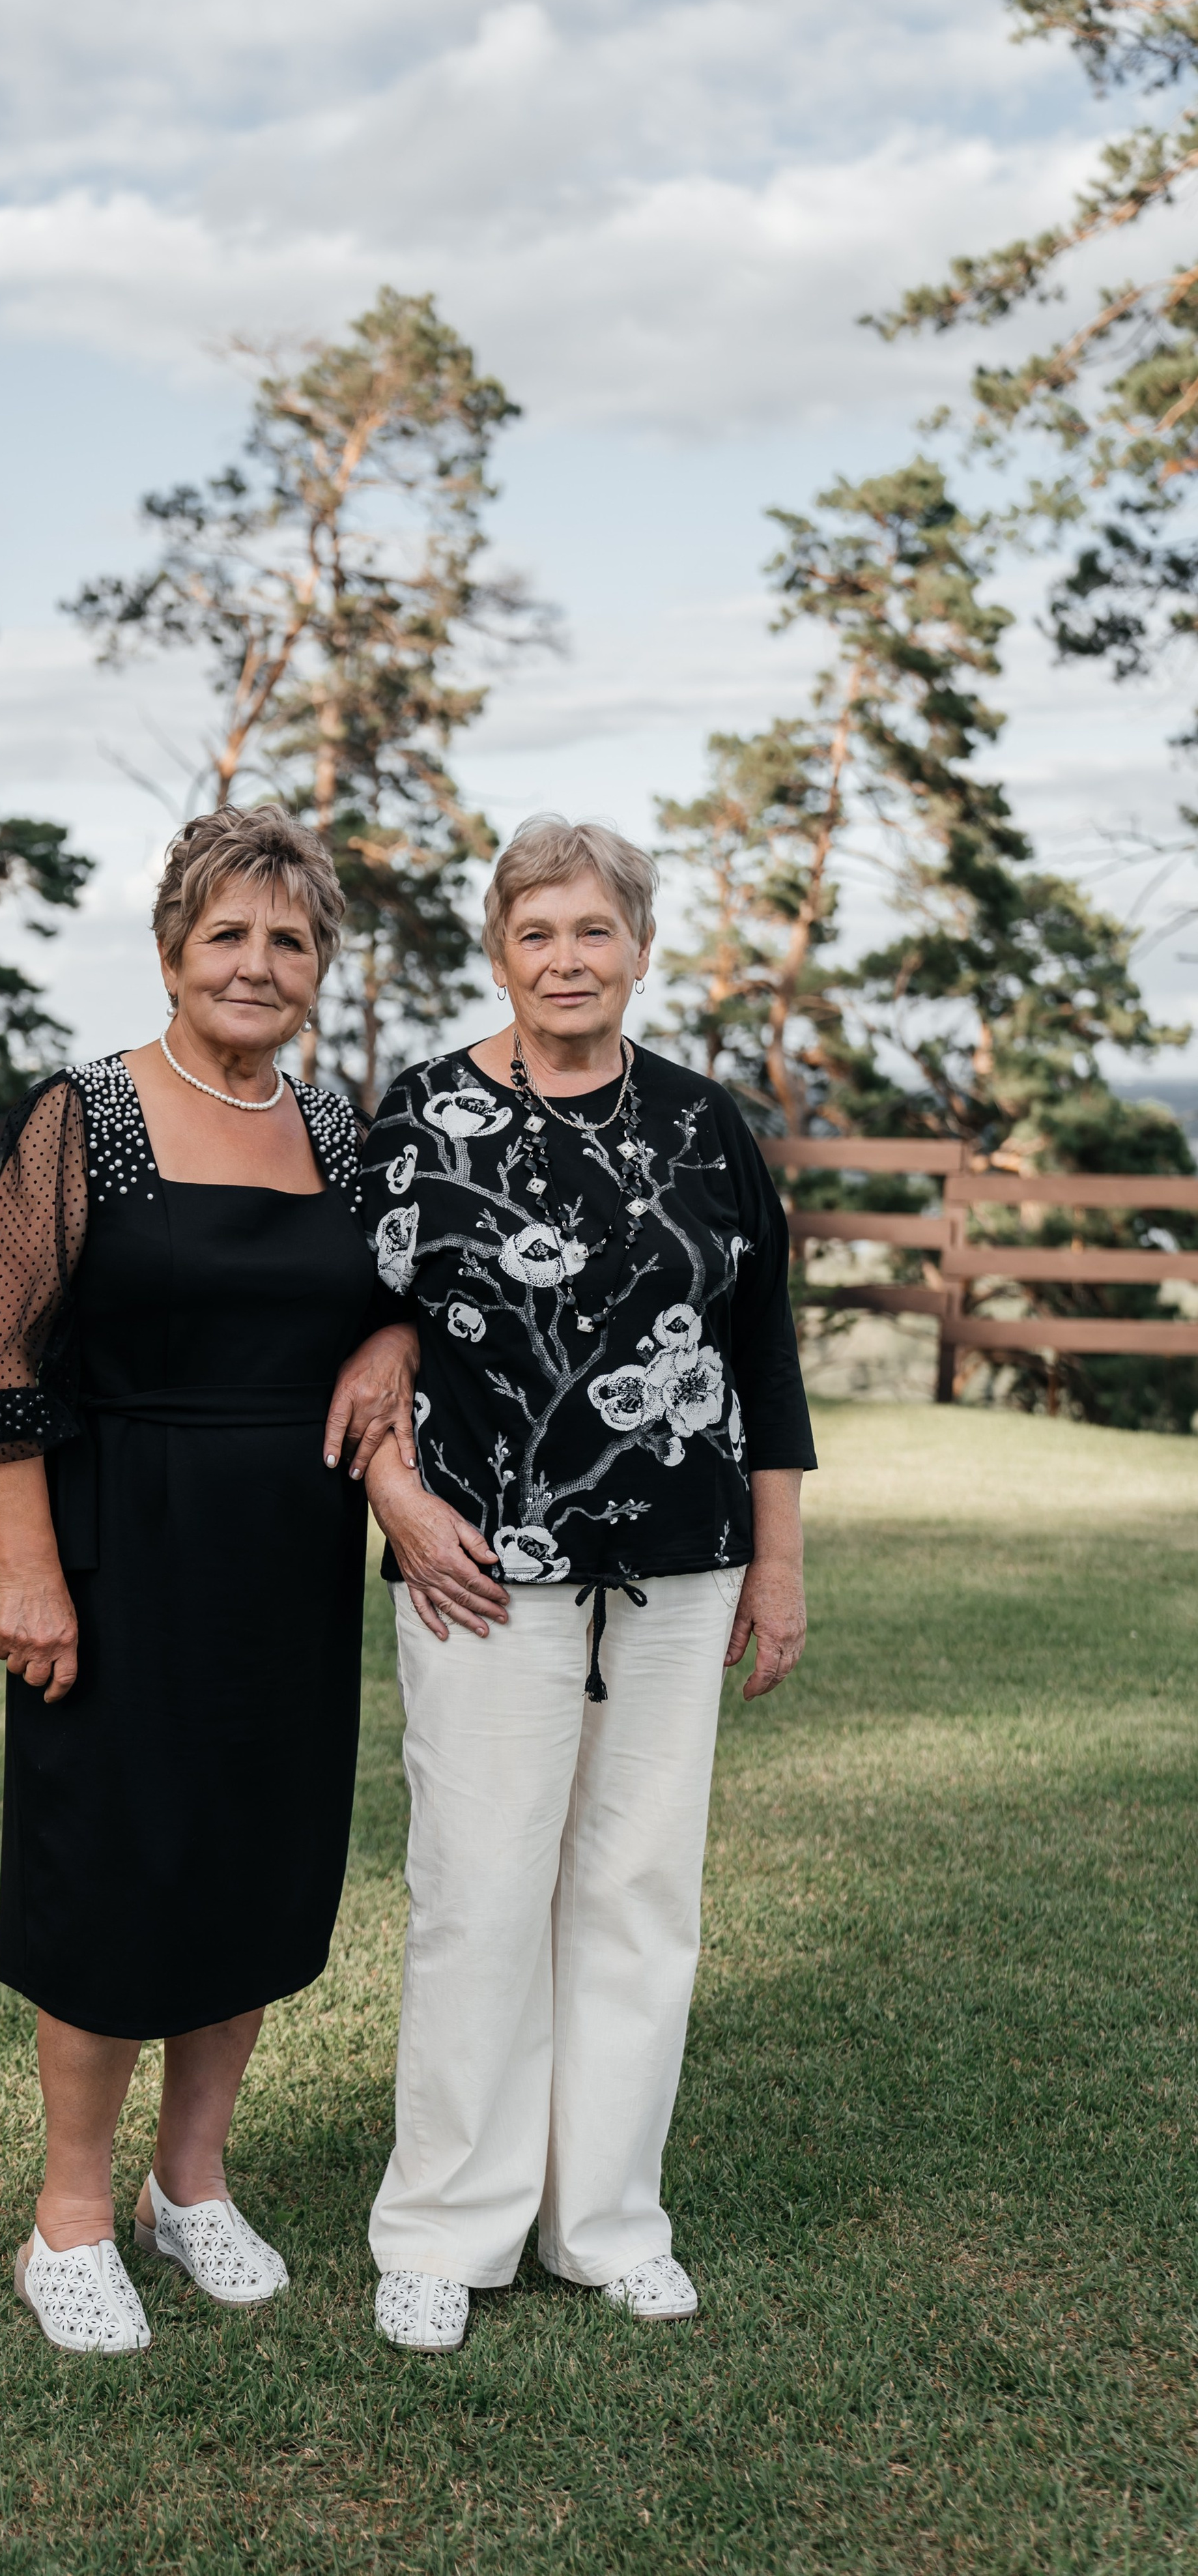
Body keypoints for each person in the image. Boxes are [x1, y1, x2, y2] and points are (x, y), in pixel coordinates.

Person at [0, 803, 414, 2356]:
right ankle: (69, 2212)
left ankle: (187, 2185)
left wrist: (392, 1341)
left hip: (290, 1550)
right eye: (229, 934)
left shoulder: (341, 1132)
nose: (257, 964)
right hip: (119, 1545)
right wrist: (29, 1573)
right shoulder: (84, 1117)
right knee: (113, 1870)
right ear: (169, 949)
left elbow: (418, 1297)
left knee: (255, 1865)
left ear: (320, 967)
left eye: (290, 940)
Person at [357, 812, 816, 2352]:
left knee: (635, 1893)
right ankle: (442, 2232)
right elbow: (344, 1342)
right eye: (535, 931)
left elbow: (761, 1359)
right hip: (481, 1569)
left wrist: (778, 1565)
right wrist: (397, 1503)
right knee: (479, 1897)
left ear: (636, 945)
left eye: (593, 930)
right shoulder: (417, 1116)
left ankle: (607, 2220)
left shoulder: (702, 1124)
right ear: (498, 948)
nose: (566, 958)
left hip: (682, 1569)